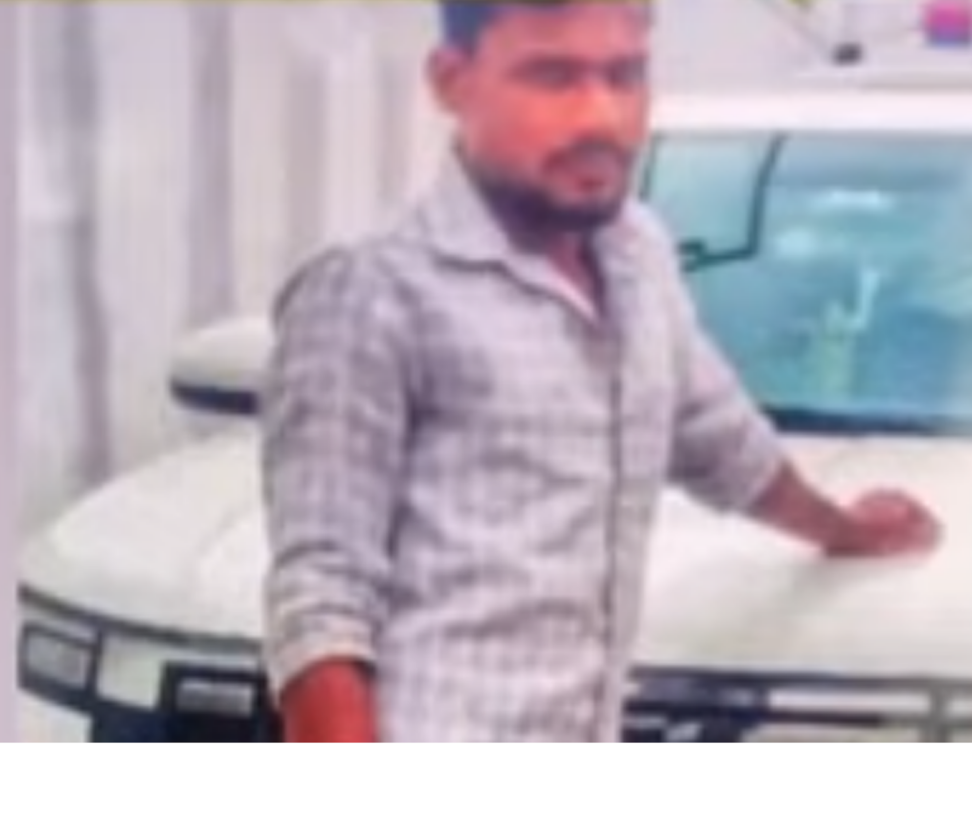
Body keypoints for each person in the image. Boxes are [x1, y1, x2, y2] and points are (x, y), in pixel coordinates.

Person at [258, 0, 941, 743]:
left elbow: (718, 439)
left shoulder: (638, 257)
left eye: (624, 75)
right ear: (452, 82)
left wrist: (841, 527)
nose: (601, 116)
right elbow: (320, 604)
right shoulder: (373, 289)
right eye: (553, 77)